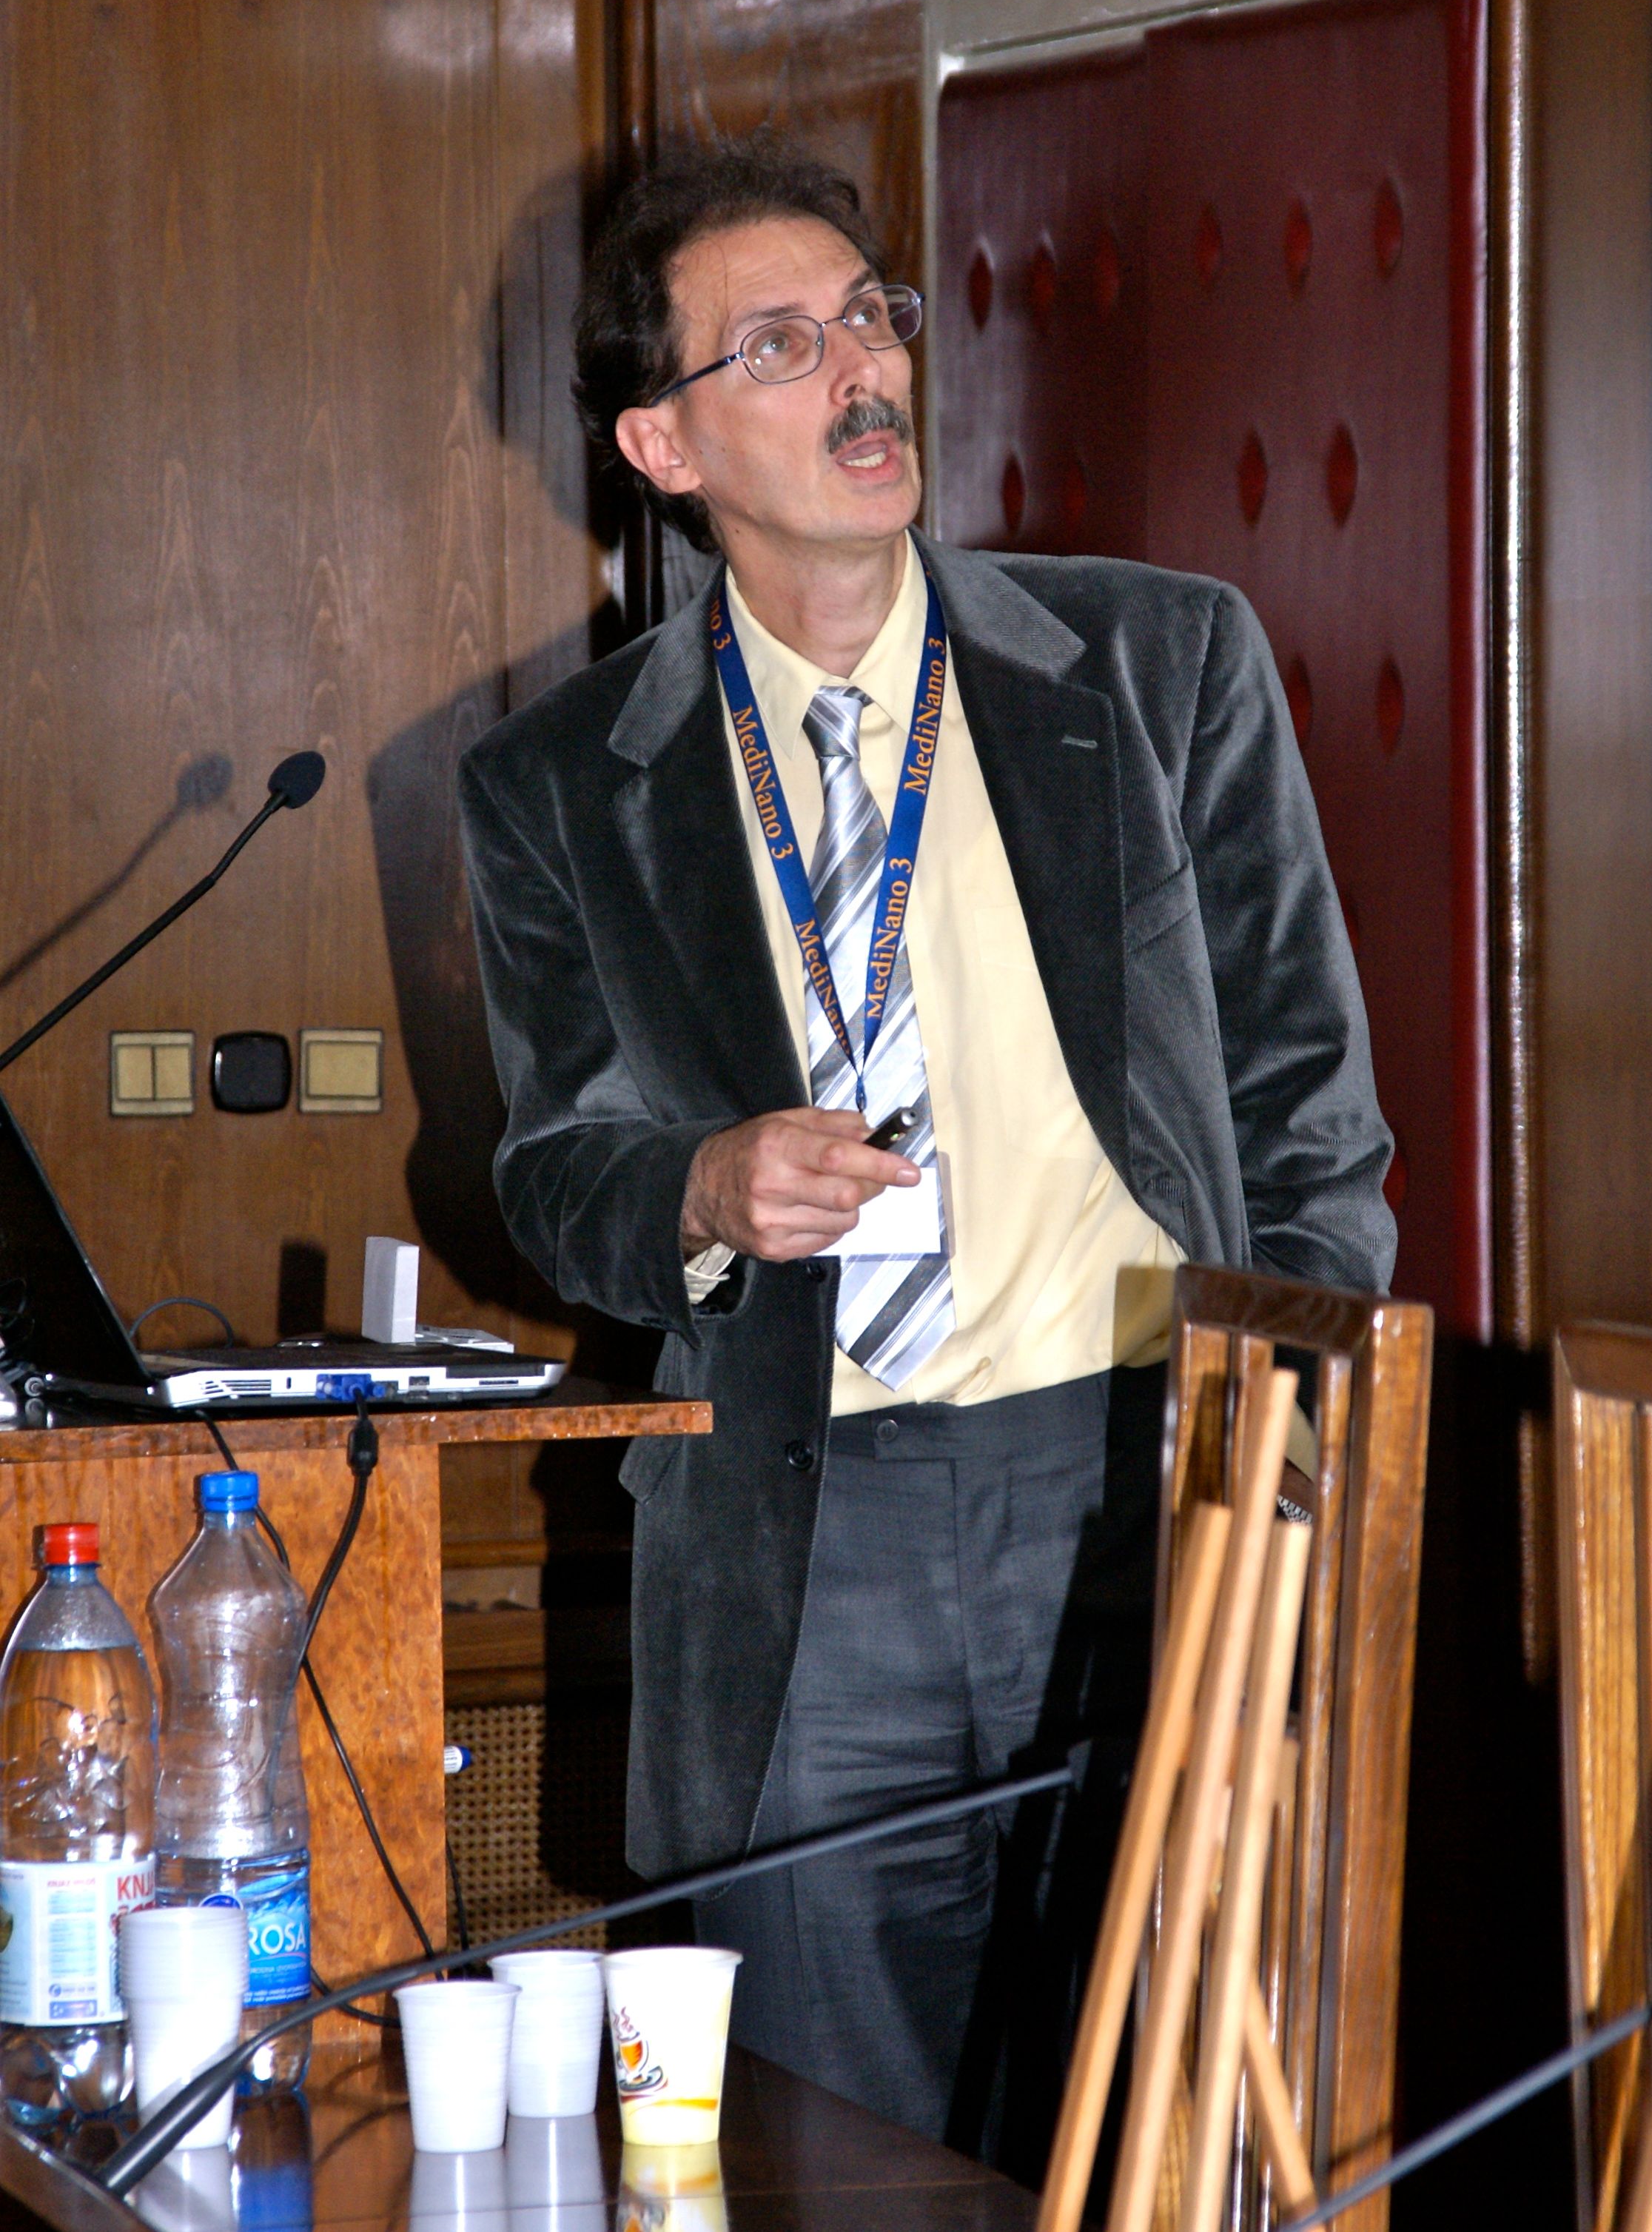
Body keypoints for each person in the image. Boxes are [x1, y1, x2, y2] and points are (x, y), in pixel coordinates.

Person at [457, 135, 1395, 2160]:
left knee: (1170, 2124)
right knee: (836, 2146)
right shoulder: (558, 783)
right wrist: (699, 1189)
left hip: (1139, 1471)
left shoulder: (1156, 663)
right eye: (779, 345)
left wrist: (1287, 1425)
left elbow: (1308, 1099)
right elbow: (552, 1172)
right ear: (660, 443)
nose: (861, 369)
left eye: (869, 316)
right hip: (811, 1536)